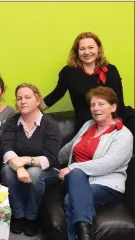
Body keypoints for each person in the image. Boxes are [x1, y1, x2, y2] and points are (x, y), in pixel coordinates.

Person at [57, 86, 133, 240]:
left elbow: (108, 164)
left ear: (113, 107)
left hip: (107, 185)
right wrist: (51, 158)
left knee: (70, 199)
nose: (96, 108)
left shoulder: (123, 135)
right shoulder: (88, 125)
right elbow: (71, 146)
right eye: (93, 105)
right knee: (76, 176)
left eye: (101, 104)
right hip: (77, 180)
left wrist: (72, 167)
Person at [1, 83, 61, 236]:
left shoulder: (51, 125)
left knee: (34, 173)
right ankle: (18, 215)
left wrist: (26, 160)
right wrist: (19, 167)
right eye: (19, 98)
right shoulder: (12, 122)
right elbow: (6, 149)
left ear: (38, 100)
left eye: (28, 97)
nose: (23, 101)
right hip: (19, 167)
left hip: (48, 170)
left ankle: (32, 217)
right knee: (7, 170)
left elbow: (51, 158)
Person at [43, 32, 129, 133]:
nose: (87, 52)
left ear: (98, 49)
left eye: (91, 47)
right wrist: (32, 107)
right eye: (82, 49)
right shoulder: (69, 72)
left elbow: (119, 101)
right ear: (77, 52)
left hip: (113, 121)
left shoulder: (111, 70)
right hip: (88, 125)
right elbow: (56, 95)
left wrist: (117, 126)